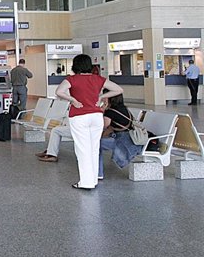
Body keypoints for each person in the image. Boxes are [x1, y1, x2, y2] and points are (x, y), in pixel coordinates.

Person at [55, 54, 123, 190]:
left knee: (82, 149)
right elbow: (118, 89)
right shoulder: (97, 79)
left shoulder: (72, 79)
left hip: (79, 116)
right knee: (93, 148)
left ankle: (86, 183)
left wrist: (73, 100)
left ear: (75, 65)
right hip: (96, 116)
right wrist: (101, 96)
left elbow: (59, 92)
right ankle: (93, 179)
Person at [98, 93, 146, 179]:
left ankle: (98, 173)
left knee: (95, 145)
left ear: (110, 98)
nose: (102, 98)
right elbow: (110, 128)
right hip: (131, 138)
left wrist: (102, 110)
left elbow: (103, 125)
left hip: (124, 140)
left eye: (104, 96)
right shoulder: (124, 108)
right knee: (98, 143)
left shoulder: (110, 111)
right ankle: (98, 173)